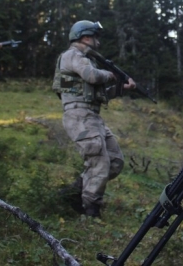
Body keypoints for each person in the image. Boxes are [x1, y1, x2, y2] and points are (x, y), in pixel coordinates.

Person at [52, 20, 136, 218]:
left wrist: (122, 88)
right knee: (99, 162)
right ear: (86, 37)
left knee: (114, 161)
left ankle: (74, 194)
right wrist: (111, 74)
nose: (98, 42)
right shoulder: (73, 55)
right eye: (95, 37)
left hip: (92, 116)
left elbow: (99, 93)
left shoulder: (85, 60)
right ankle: (90, 211)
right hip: (79, 115)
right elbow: (92, 76)